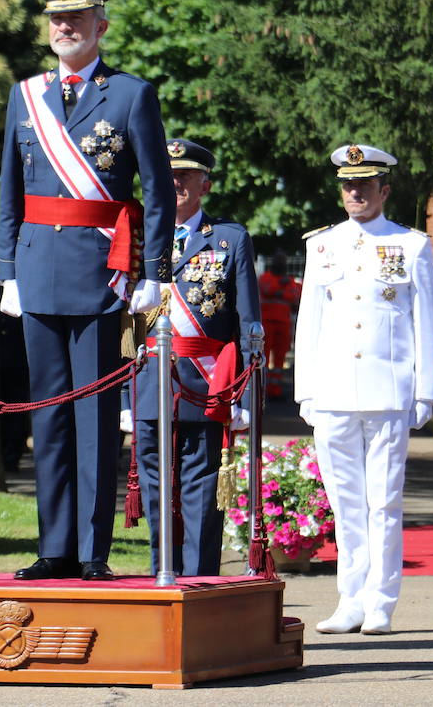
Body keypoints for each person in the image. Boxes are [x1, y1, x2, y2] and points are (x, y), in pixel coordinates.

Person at [0, 0, 174, 581]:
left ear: (101, 25)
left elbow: (156, 192)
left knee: (95, 418)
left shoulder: (129, 95)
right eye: (55, 19)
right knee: (47, 415)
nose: (64, 27)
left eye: (77, 18)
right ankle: (55, 547)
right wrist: (8, 272)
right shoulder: (25, 96)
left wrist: (155, 273)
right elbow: (9, 193)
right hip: (39, 273)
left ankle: (93, 552)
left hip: (104, 275)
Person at [293, 144, 433, 635]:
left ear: (384, 189)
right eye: (348, 184)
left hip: (388, 389)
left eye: (365, 184)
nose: (355, 192)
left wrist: (425, 390)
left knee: (384, 501)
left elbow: (427, 322)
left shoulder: (412, 245)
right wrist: (305, 389)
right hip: (333, 389)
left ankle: (380, 601)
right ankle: (349, 599)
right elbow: (309, 320)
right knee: (345, 501)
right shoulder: (322, 246)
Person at [122, 138, 260, 575]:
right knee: (158, 488)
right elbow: (129, 324)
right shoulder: (141, 237)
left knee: (201, 494)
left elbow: (249, 328)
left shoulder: (228, 239)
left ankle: (200, 584)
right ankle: (163, 579)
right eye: (168, 174)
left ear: (206, 185)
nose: (175, 181)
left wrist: (242, 395)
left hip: (207, 384)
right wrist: (126, 399)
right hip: (150, 382)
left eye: (186, 175)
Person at [258, 251, 302, 387]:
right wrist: (282, 290)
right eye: (279, 261)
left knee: (280, 356)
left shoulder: (289, 281)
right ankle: (262, 387)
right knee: (263, 355)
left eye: (283, 261)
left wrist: (280, 292)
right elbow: (268, 290)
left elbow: (295, 296)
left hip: (283, 322)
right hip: (267, 322)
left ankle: (275, 388)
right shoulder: (265, 278)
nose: (281, 264)